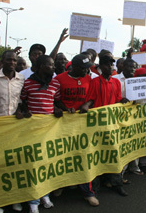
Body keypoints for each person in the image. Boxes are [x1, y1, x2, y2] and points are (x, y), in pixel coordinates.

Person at [16, 55, 61, 213]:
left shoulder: (55, 83)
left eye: (53, 65)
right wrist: (24, 111)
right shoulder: (28, 83)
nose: (53, 67)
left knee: (47, 163)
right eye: (50, 65)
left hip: (48, 129)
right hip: (32, 130)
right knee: (34, 164)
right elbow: (21, 101)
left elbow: (56, 102)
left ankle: (45, 195)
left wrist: (57, 109)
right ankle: (33, 201)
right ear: (41, 66)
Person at [80, 54, 129, 197]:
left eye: (111, 65)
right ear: (100, 67)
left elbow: (118, 99)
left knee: (114, 154)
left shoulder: (116, 82)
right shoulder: (95, 82)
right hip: (97, 127)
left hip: (112, 126)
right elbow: (90, 100)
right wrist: (87, 105)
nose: (110, 67)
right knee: (97, 156)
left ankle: (116, 183)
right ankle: (94, 188)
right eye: (107, 65)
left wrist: (123, 100)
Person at [54, 54, 99, 206]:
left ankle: (87, 192)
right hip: (64, 124)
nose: (88, 71)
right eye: (85, 68)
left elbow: (92, 97)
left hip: (83, 124)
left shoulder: (89, 79)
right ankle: (62, 185)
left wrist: (87, 104)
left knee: (84, 156)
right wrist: (64, 109)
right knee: (64, 156)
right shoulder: (59, 79)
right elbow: (55, 99)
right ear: (75, 67)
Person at [0, 50, 25, 213]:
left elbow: (20, 101)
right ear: (2, 61)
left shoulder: (21, 79)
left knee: (14, 164)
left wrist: (20, 111)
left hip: (13, 127)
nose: (12, 63)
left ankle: (14, 199)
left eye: (14, 60)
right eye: (8, 60)